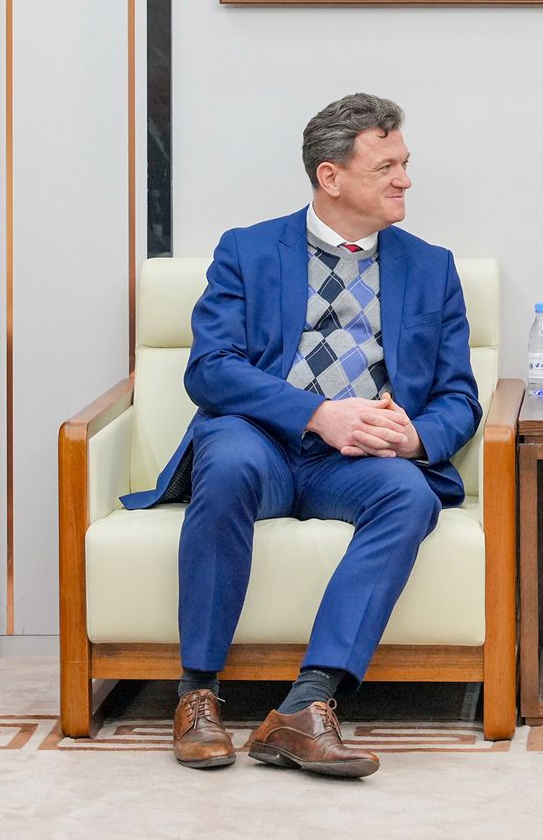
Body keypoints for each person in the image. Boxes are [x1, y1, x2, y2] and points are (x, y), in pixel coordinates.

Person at [121, 93, 482, 778]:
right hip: (260, 440)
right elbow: (211, 369)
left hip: (357, 462)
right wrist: (317, 413)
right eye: (386, 167)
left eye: (405, 163)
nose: (406, 179)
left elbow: (459, 396)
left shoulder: (432, 267)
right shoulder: (248, 250)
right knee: (226, 461)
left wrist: (412, 438)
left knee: (410, 496)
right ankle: (197, 694)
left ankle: (306, 707)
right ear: (331, 176)